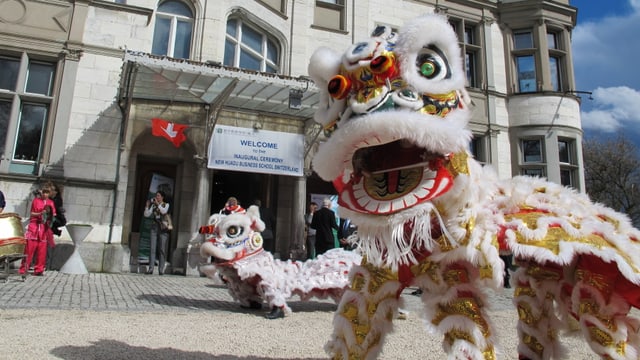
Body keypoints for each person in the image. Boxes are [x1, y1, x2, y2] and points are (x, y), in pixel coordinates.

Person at [19, 184, 56, 276]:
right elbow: (32, 213)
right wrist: (40, 213)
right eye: (44, 192)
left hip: (44, 228)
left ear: (50, 193)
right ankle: (24, 268)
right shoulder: (36, 201)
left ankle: (39, 269)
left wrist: (49, 216)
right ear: (41, 192)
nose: (45, 194)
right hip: (34, 226)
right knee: (29, 249)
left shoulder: (51, 203)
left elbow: (53, 215)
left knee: (42, 250)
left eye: (47, 193)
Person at [143, 191, 170, 275]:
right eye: (156, 196)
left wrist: (158, 204)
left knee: (162, 249)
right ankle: (150, 269)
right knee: (152, 247)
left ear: (162, 197)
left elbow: (163, 212)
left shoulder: (166, 205)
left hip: (163, 228)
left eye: (158, 196)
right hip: (154, 227)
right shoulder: (154, 205)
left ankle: (161, 269)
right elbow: (147, 215)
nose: (156, 197)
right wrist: (147, 207)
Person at [46, 182, 66, 270]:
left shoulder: (56, 200)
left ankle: (47, 264)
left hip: (54, 222)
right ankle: (45, 263)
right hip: (49, 223)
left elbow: (53, 211)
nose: (49, 192)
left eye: (51, 190)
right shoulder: (50, 199)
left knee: (48, 243)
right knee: (46, 243)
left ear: (55, 192)